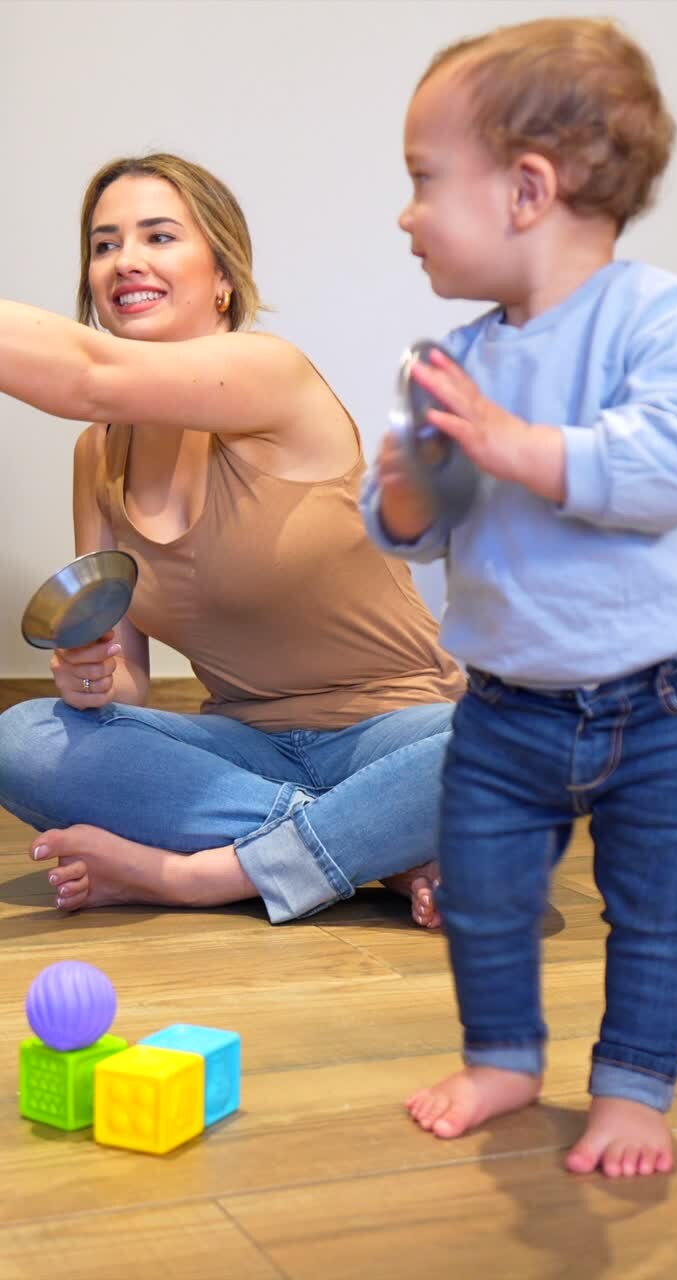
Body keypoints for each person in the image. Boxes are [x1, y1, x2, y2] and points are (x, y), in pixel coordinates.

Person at [362, 16, 677, 1176]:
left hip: (672, 702)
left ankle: (630, 1088)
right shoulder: (455, 358)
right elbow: (420, 524)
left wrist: (519, 445)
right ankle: (504, 1056)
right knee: (482, 893)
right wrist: (410, 494)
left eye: (423, 181)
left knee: (659, 909)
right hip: (508, 704)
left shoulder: (652, 319)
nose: (406, 212)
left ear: (527, 189)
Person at [0, 152, 464, 926]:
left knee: (519, 742)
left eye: (158, 236)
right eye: (105, 244)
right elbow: (127, 685)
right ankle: (388, 853)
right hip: (242, 745)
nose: (127, 262)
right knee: (27, 738)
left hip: (403, 729)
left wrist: (177, 873)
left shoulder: (269, 376)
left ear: (223, 276)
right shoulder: (98, 452)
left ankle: (195, 877)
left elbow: (84, 371)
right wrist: (86, 679)